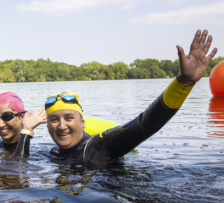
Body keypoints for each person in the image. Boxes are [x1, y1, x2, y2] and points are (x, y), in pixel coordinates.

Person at [45, 29, 218, 166]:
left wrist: (182, 83)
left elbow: (143, 125)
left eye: (69, 118)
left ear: (82, 122)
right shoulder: (52, 154)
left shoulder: (99, 146)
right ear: (47, 125)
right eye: (54, 119)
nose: (61, 126)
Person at [0, 92, 47, 156]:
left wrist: (27, 131)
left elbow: (21, 167)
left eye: (7, 116)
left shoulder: (36, 152)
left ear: (21, 117)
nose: (0, 124)